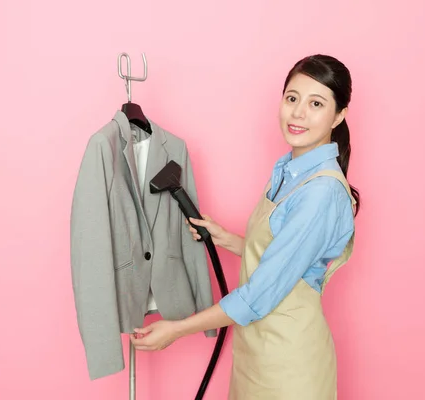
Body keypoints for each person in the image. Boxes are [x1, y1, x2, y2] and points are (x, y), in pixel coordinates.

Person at [129, 54, 361, 399]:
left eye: (316, 103)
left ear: (339, 115)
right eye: (292, 98)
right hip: (257, 354)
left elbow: (259, 296)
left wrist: (177, 330)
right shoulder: (288, 171)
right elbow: (283, 258)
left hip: (289, 365)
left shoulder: (321, 192)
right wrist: (225, 238)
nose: (298, 113)